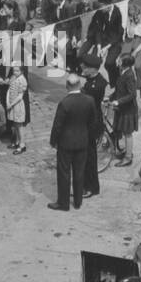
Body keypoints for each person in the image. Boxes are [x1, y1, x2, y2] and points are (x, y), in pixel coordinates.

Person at [48, 73, 100, 211]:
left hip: (66, 143)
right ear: (80, 85)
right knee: (79, 172)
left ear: (67, 86)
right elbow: (93, 122)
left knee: (64, 173)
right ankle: (78, 201)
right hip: (82, 141)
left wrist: (53, 141)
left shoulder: (65, 103)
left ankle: (63, 203)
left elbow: (57, 125)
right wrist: (89, 137)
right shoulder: (89, 100)